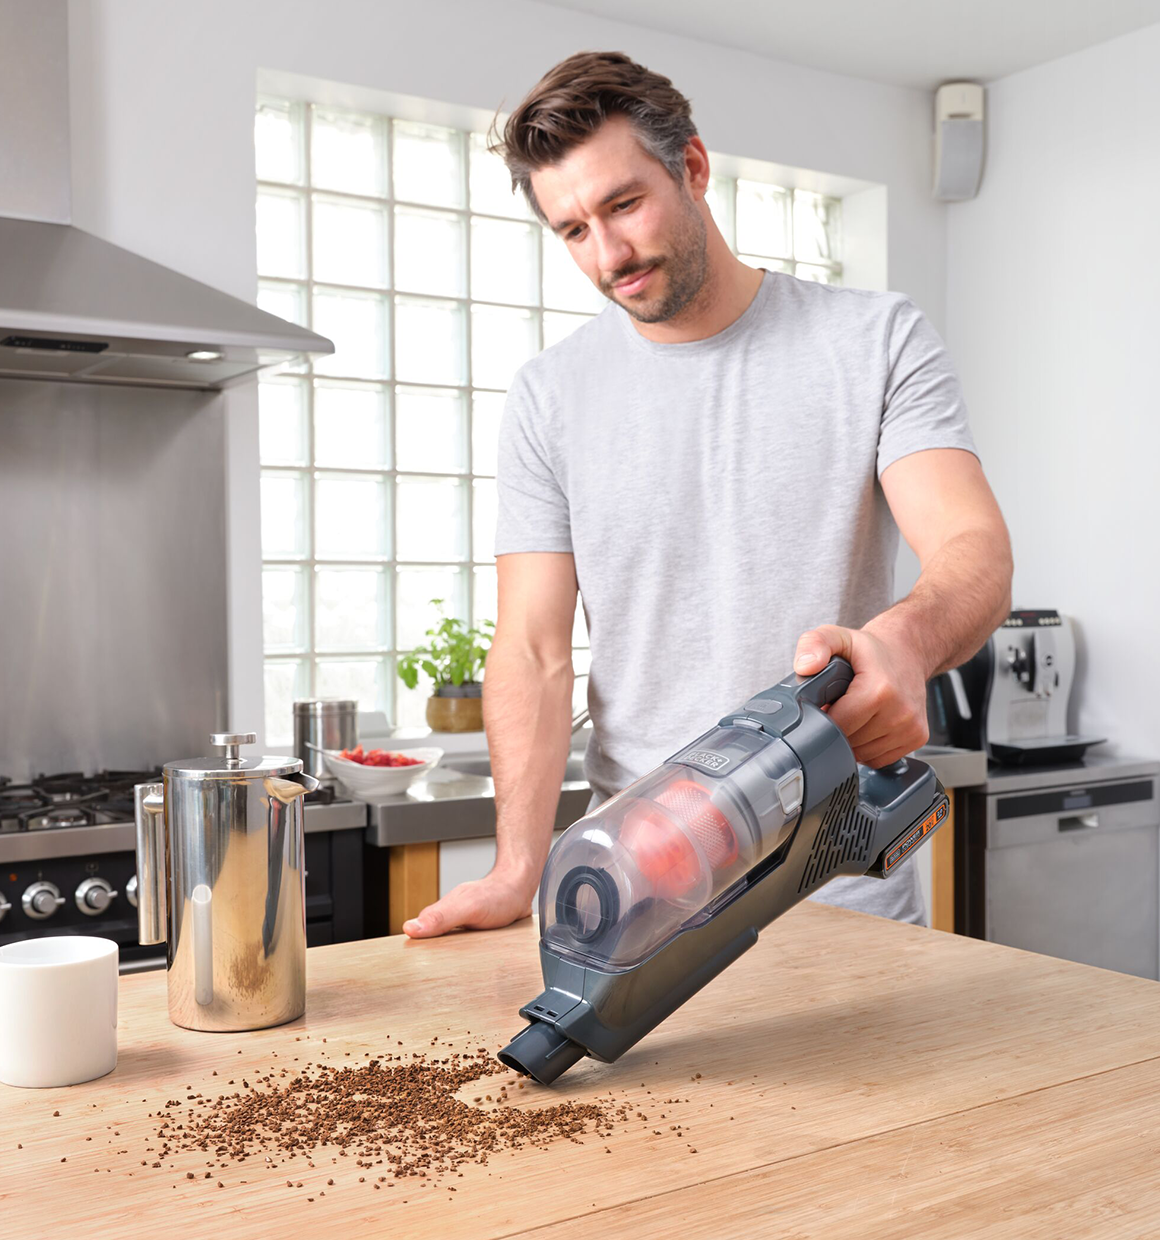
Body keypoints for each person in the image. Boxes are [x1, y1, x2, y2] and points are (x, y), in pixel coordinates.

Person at [403, 51, 1011, 938]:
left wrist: (905, 643)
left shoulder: (874, 340)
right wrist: (516, 869)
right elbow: (533, 650)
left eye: (623, 205)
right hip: (638, 888)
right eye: (572, 231)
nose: (609, 255)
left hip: (839, 887)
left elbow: (973, 549)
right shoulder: (550, 396)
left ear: (692, 167)